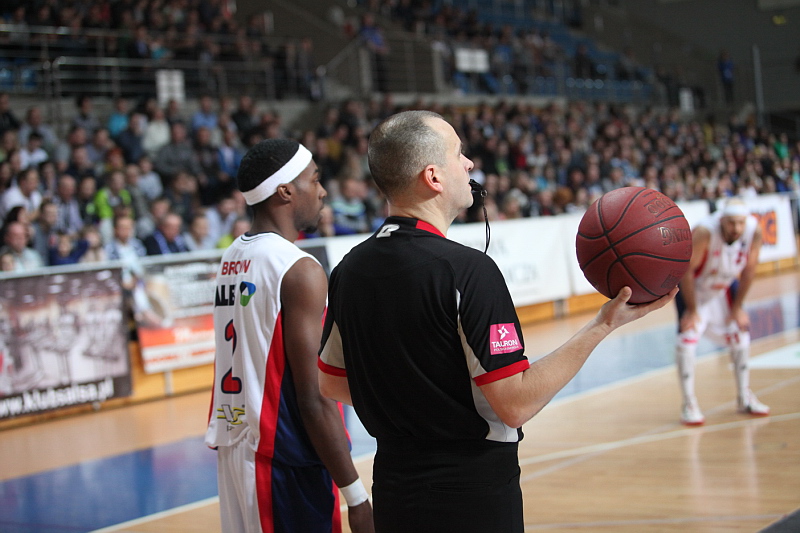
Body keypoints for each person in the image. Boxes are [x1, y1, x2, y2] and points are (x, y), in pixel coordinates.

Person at [317, 110, 675, 532]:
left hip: (393, 492)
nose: (469, 164)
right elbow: (515, 403)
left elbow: (332, 382)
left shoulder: (348, 269)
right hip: (471, 495)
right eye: (458, 154)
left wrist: (413, 404)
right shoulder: (466, 271)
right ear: (433, 177)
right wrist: (601, 325)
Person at [204, 138, 373, 533]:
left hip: (238, 450)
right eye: (314, 180)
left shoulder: (233, 256)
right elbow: (314, 397)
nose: (323, 191)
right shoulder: (298, 269)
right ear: (285, 191)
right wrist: (356, 498)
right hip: (283, 460)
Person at [675, 198, 769, 426]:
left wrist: (738, 308)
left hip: (722, 290)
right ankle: (689, 403)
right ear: (722, 220)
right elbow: (685, 271)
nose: (736, 228)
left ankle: (744, 396)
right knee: (686, 341)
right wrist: (692, 309)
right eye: (731, 223)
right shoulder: (705, 232)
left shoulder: (754, 232)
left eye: (740, 223)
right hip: (695, 291)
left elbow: (749, 270)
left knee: (741, 334)